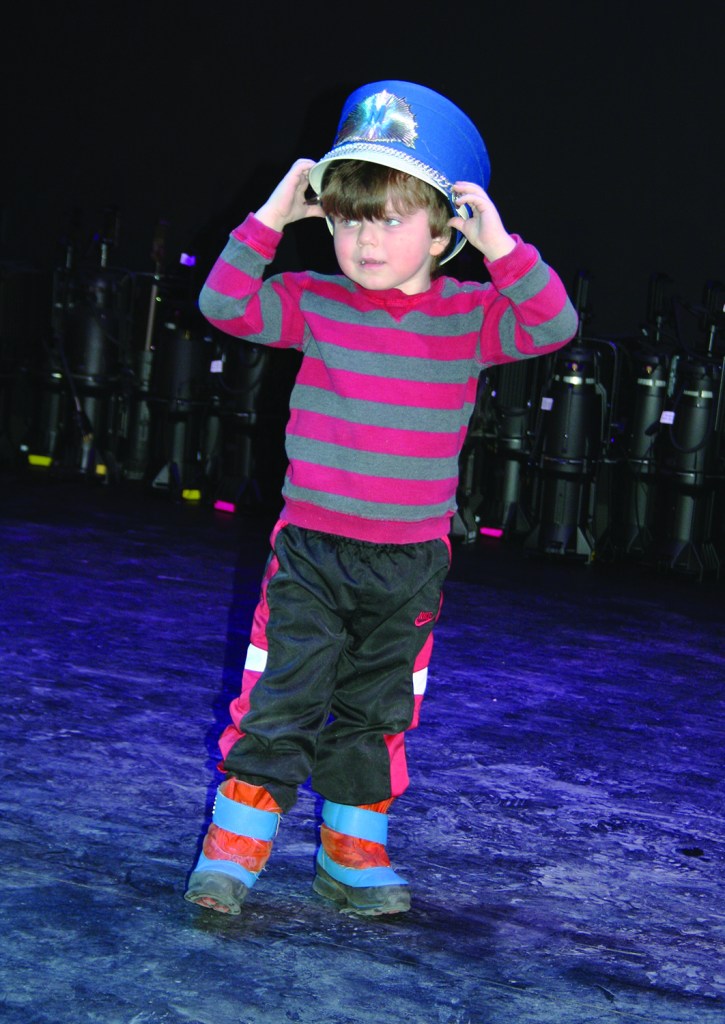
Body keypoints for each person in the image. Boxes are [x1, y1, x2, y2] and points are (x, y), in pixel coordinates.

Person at [185, 80, 578, 917]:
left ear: (446, 231)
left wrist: (504, 246)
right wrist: (270, 218)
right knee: (279, 697)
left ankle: (352, 845)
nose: (361, 238)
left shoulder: (472, 316)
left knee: (378, 708)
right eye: (344, 218)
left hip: (409, 564)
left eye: (389, 218)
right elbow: (223, 302)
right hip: (312, 554)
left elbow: (551, 326)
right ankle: (232, 851)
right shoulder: (312, 302)